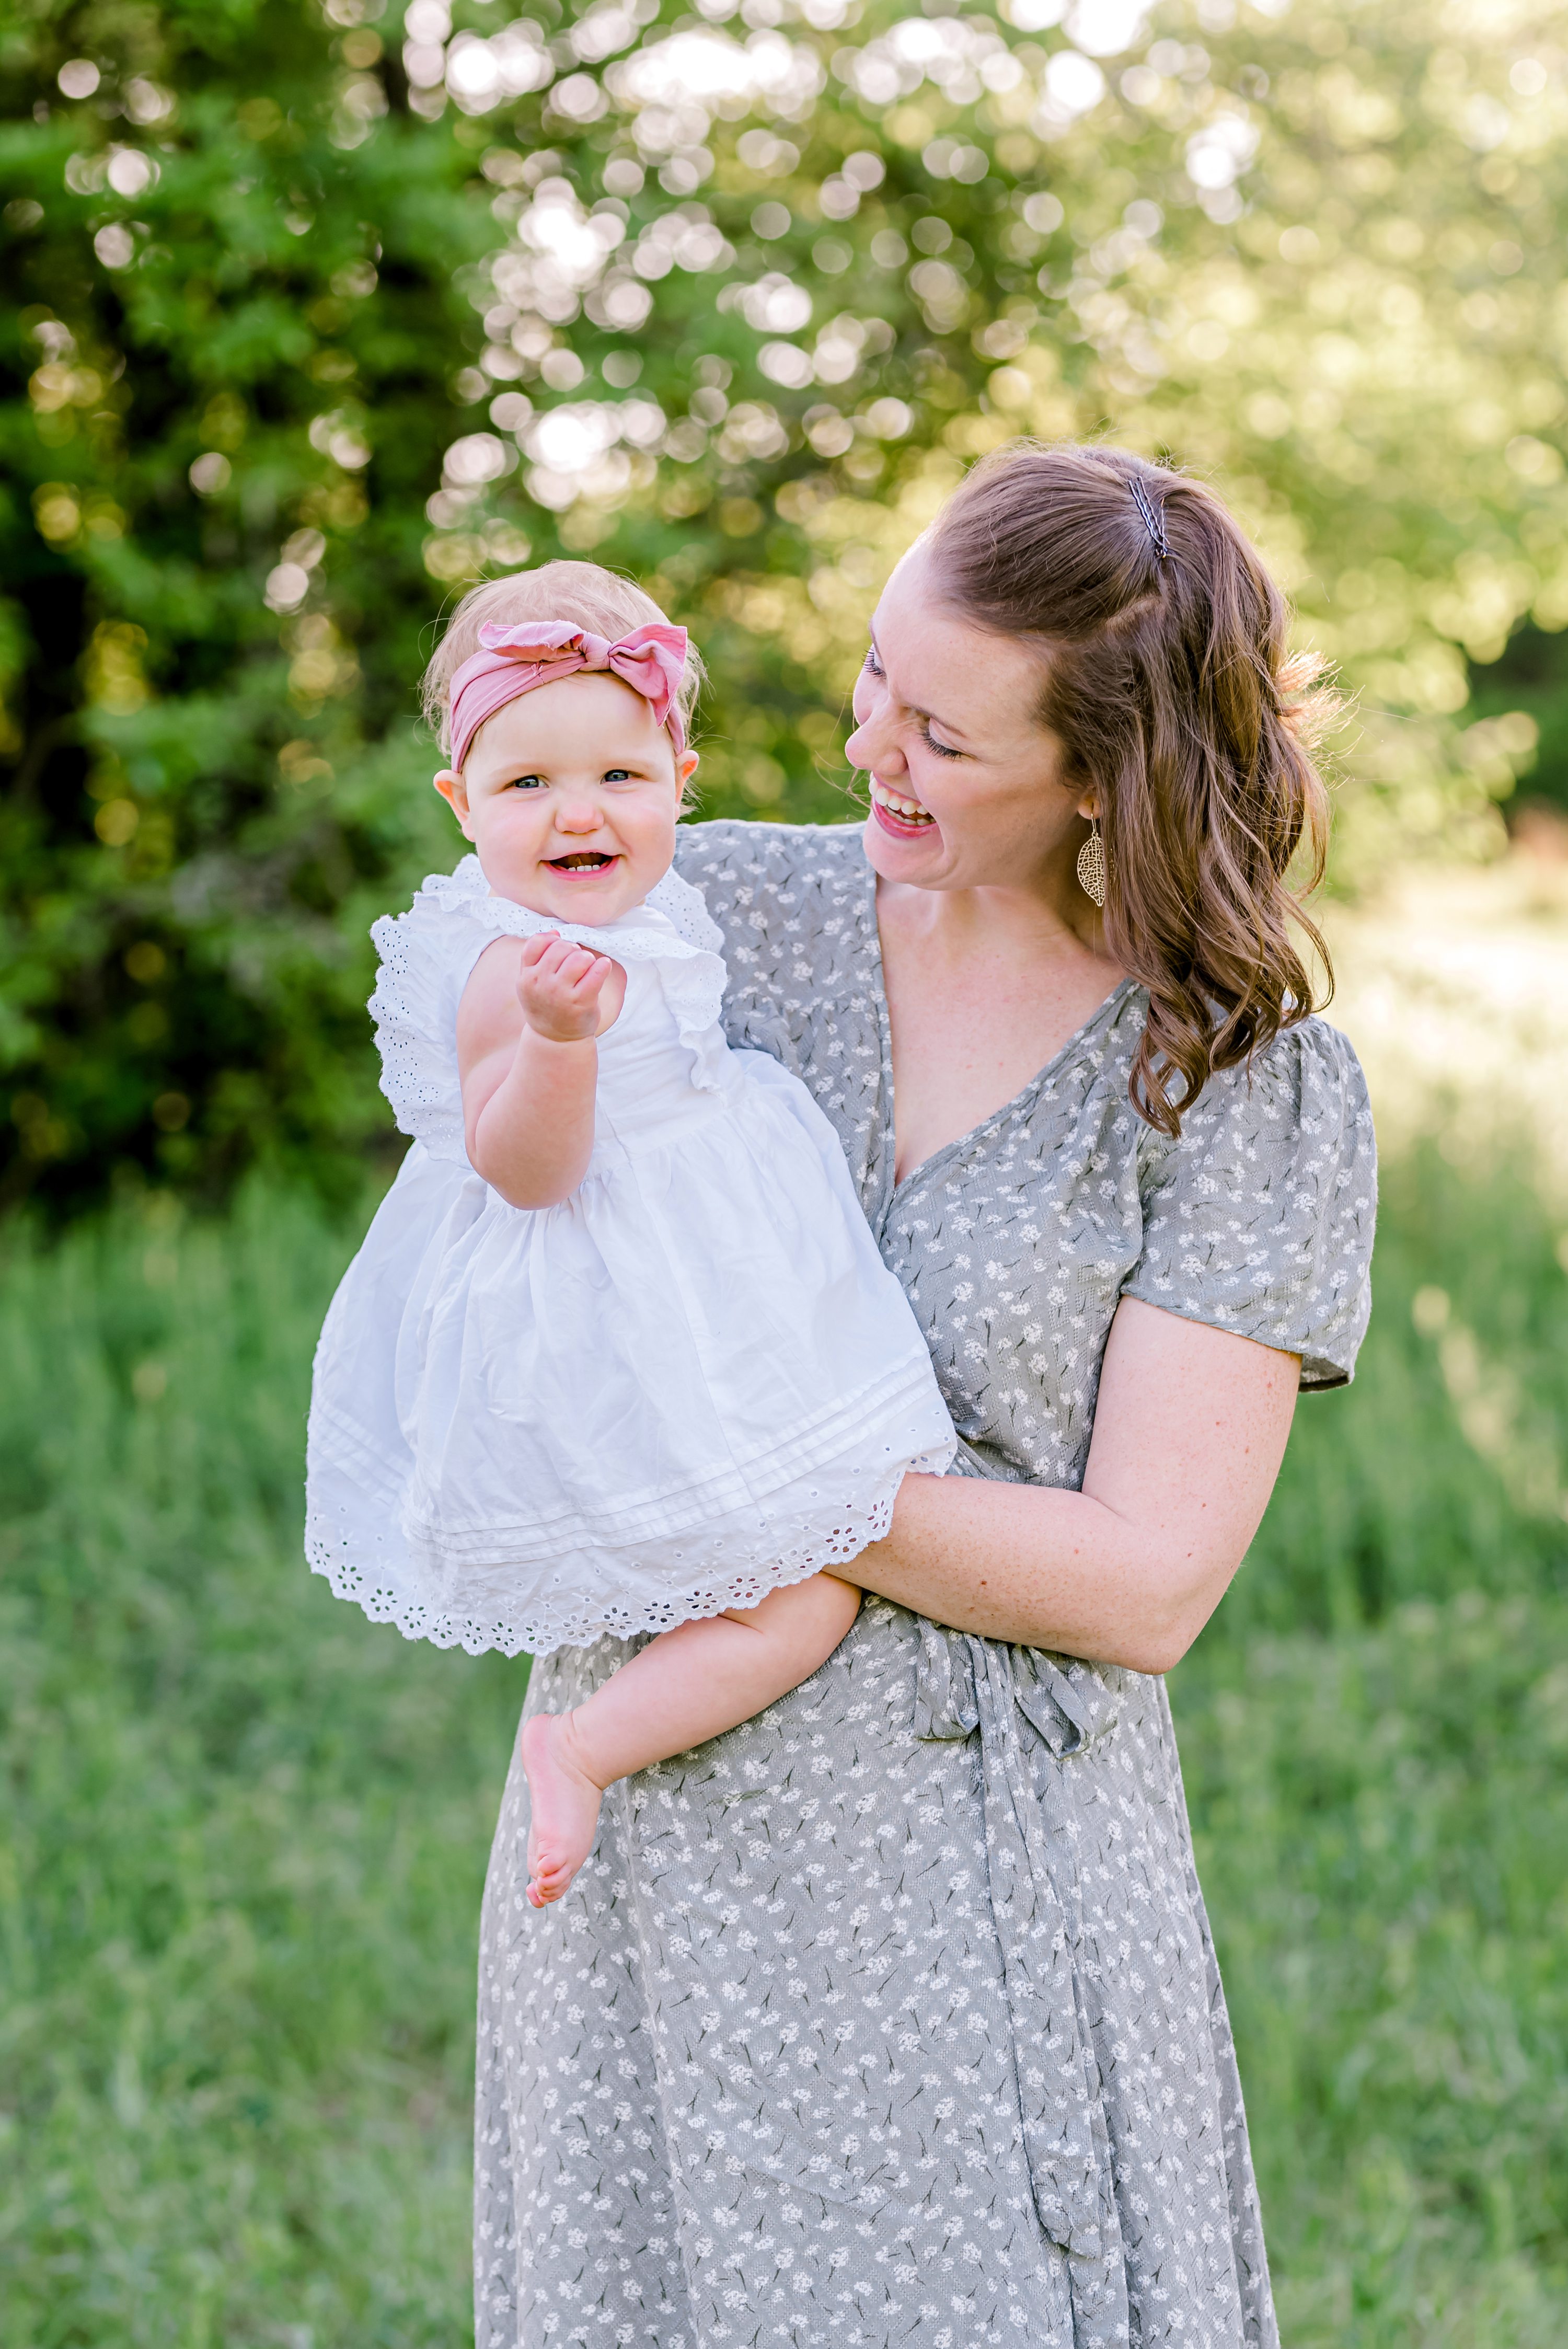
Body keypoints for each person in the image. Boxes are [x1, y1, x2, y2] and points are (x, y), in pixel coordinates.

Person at [472, 444, 1377, 2348]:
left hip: (982, 1889)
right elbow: (489, 1211)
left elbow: (1145, 1580)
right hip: (657, 1830)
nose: (876, 747)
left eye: (946, 737)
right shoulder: (695, 922)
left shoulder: (1233, 1081)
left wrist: (761, 1461)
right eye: (881, 677)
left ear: (1103, 777)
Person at [304, 562, 954, 1907]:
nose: (577, 813)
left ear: (681, 780)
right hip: (608, 1320)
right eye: (527, 785)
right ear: (462, 807)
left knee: (815, 1571)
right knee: (807, 1587)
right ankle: (585, 1749)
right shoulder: (502, 964)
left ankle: (613, 1738)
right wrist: (557, 1043)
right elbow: (526, 1173)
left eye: (618, 777)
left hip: (707, 1288)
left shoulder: (663, 908)